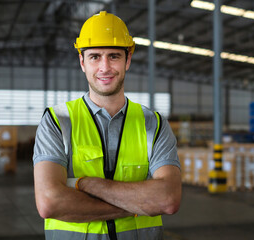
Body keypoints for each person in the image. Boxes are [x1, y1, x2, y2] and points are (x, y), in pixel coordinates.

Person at [33, 11, 181, 240]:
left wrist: (86, 184)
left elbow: (168, 199)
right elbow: (49, 203)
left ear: (127, 60)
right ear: (82, 62)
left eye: (113, 56)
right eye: (94, 57)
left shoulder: (154, 124)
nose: (105, 67)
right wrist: (139, 205)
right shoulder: (57, 121)